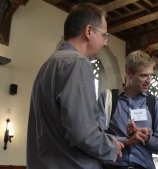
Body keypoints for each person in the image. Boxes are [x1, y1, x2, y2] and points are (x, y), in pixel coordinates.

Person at [26, 3, 123, 169]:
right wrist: (112, 146)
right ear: (89, 31)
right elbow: (83, 134)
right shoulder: (77, 63)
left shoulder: (48, 65)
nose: (105, 43)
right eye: (104, 35)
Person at [97, 50, 158, 169]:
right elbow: (96, 137)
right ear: (128, 73)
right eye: (144, 75)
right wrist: (127, 140)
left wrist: (145, 138)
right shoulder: (107, 98)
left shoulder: (154, 103)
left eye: (150, 75)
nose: (149, 80)